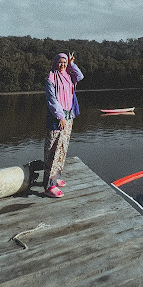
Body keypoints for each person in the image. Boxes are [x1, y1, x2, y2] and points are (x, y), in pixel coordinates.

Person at [43, 51, 83, 198]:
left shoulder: (68, 76)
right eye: (60, 62)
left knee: (62, 148)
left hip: (68, 117)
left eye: (64, 62)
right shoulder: (51, 77)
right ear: (55, 62)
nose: (62, 65)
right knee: (52, 150)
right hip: (56, 118)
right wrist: (60, 117)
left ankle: (56, 177)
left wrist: (72, 64)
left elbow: (79, 76)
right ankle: (49, 185)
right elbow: (52, 100)